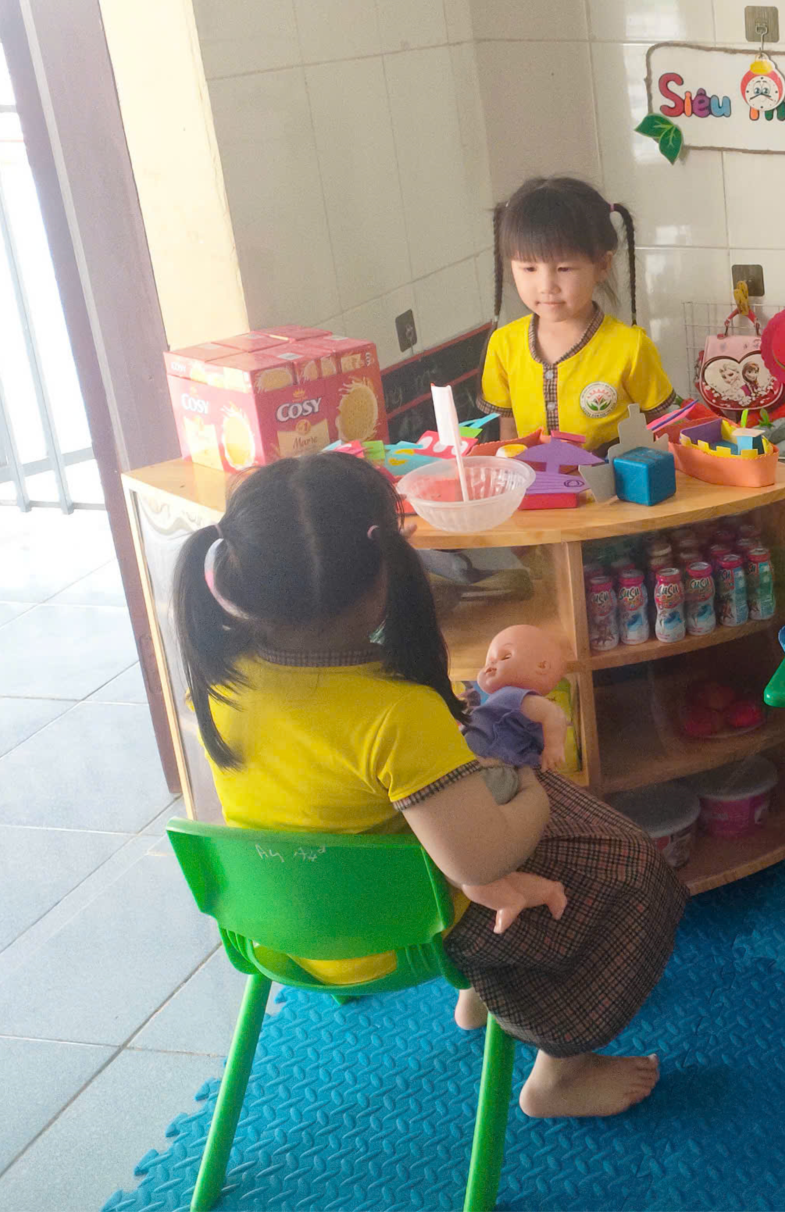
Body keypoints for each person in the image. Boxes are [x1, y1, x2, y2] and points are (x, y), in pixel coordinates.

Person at [174, 451, 686, 1119]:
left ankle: (482, 992)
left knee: (481, 812)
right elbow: (483, 860)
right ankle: (560, 1069)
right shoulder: (397, 712)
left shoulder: (221, 676)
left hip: (273, 917)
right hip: (396, 927)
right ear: (384, 571)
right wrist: (530, 781)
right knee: (631, 866)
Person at [482, 175, 680, 452]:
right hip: (533, 477)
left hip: (618, 477)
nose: (546, 286)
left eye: (564, 268)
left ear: (602, 266)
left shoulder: (631, 347)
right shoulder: (504, 345)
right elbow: (509, 434)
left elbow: (661, 428)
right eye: (529, 268)